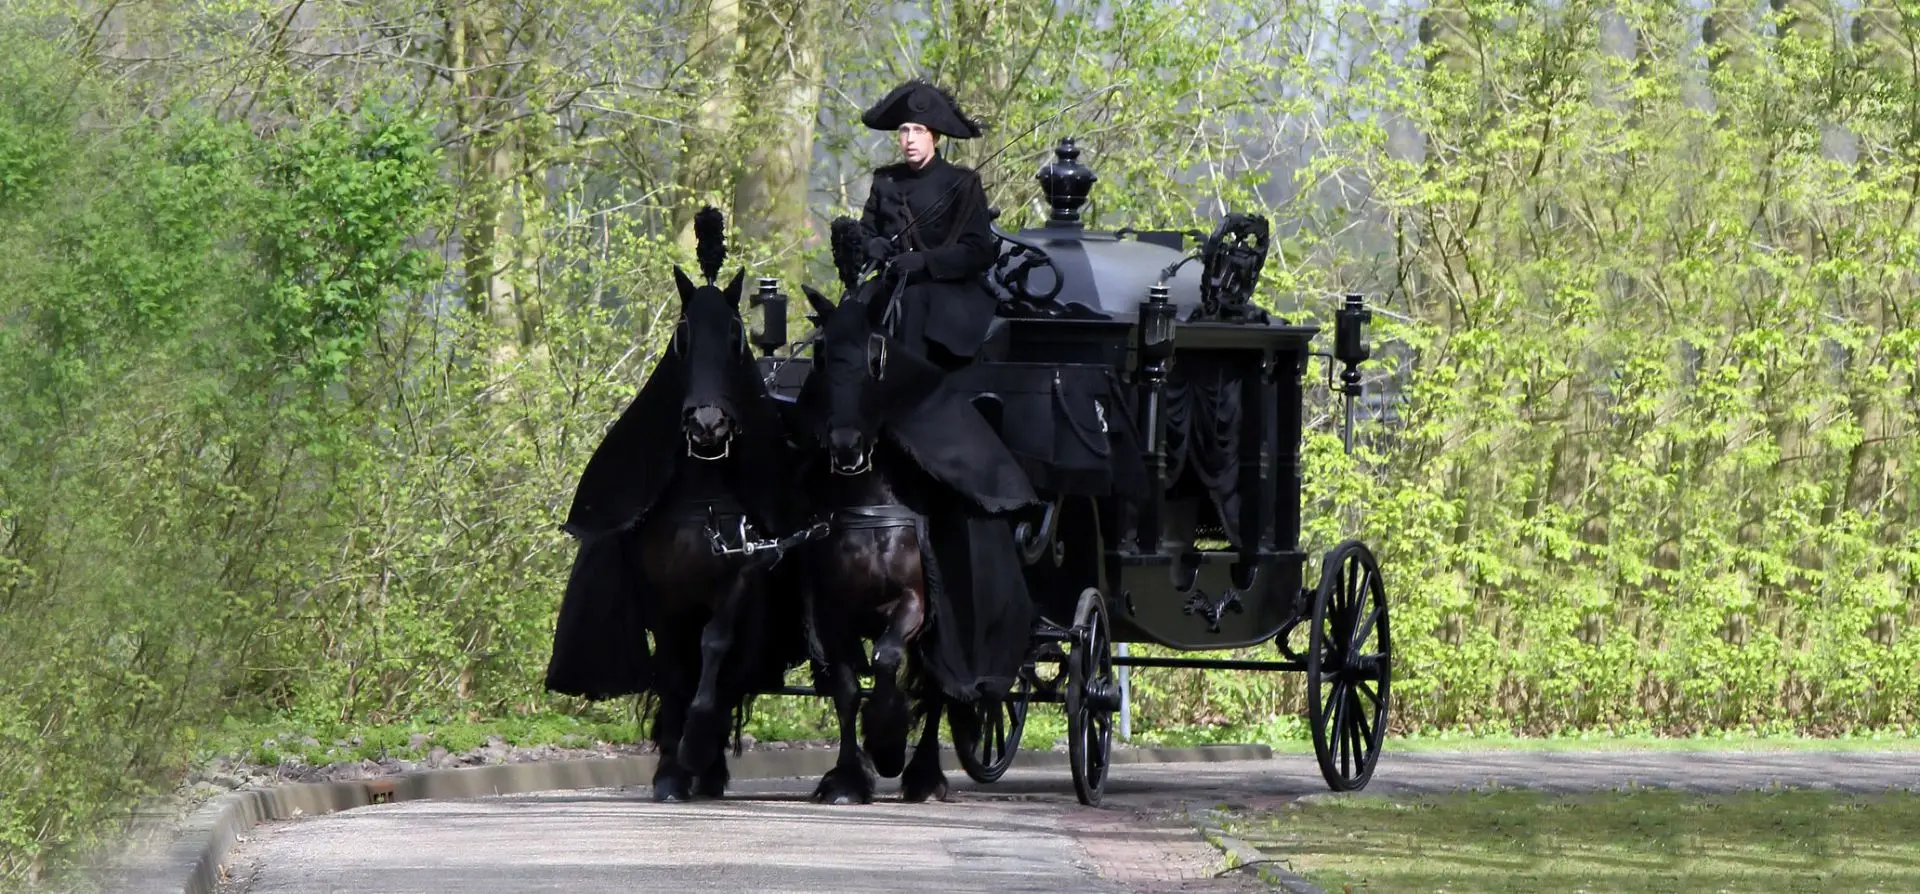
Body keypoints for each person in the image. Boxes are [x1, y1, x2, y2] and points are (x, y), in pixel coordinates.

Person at [856, 79, 1000, 369]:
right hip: (891, 286)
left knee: (914, 303)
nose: (909, 139)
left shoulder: (962, 183)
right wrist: (873, 245)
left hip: (949, 291)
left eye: (918, 131)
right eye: (904, 131)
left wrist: (925, 261)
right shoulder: (886, 181)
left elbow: (977, 250)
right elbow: (865, 232)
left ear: (934, 137)